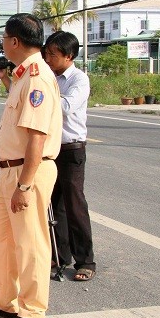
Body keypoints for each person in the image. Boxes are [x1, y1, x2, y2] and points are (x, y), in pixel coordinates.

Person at [0, 13, 63, 318]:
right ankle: (5, 299)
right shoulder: (23, 76)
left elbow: (37, 137)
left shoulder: (37, 77)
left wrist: (25, 184)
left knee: (30, 242)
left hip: (27, 172)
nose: (2, 45)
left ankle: (32, 308)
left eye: (3, 39)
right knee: (3, 238)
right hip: (10, 170)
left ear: (14, 41)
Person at [43, 31, 95, 281]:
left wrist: (42, 96)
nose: (48, 58)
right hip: (51, 149)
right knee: (54, 206)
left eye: (53, 54)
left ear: (69, 55)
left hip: (72, 149)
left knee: (75, 205)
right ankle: (60, 255)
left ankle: (85, 261)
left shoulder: (78, 79)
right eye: (47, 53)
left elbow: (64, 107)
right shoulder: (48, 77)